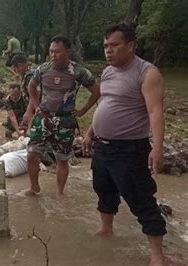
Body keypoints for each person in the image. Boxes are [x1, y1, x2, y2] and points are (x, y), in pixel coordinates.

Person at [82, 24, 167, 266]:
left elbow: (155, 111)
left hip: (130, 149)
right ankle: (106, 228)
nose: (108, 50)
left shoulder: (146, 72)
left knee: (141, 198)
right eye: (105, 46)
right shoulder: (108, 72)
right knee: (103, 189)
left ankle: (157, 254)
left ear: (130, 46)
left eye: (114, 45)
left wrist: (157, 148)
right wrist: (90, 132)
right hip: (103, 147)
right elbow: (105, 104)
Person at [23, 35, 100, 196]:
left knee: (62, 159)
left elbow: (96, 92)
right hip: (43, 117)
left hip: (65, 120)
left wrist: (82, 111)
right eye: (51, 51)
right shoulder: (43, 69)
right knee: (31, 154)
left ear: (68, 51)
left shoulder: (79, 71)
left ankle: (60, 192)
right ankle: (34, 187)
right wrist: (35, 107)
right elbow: (31, 86)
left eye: (57, 52)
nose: (53, 55)